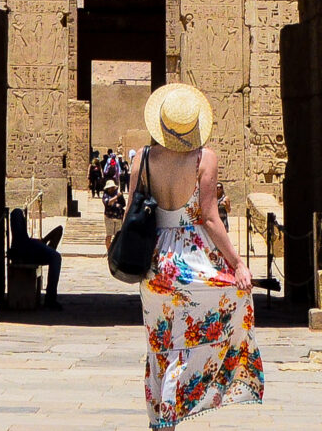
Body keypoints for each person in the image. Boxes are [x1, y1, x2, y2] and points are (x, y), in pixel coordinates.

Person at [126, 83, 263, 430]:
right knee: (212, 320)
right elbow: (210, 218)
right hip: (192, 257)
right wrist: (237, 264)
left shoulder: (141, 158)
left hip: (155, 263)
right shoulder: (204, 158)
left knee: (160, 344)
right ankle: (179, 409)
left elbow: (130, 212)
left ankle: (160, 417)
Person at [8, 207, 63, 309]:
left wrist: (43, 242)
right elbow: (59, 230)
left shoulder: (44, 250)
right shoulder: (40, 248)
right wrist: (43, 241)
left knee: (17, 212)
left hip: (29, 247)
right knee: (17, 212)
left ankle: (50, 298)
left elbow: (59, 230)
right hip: (27, 247)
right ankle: (50, 298)